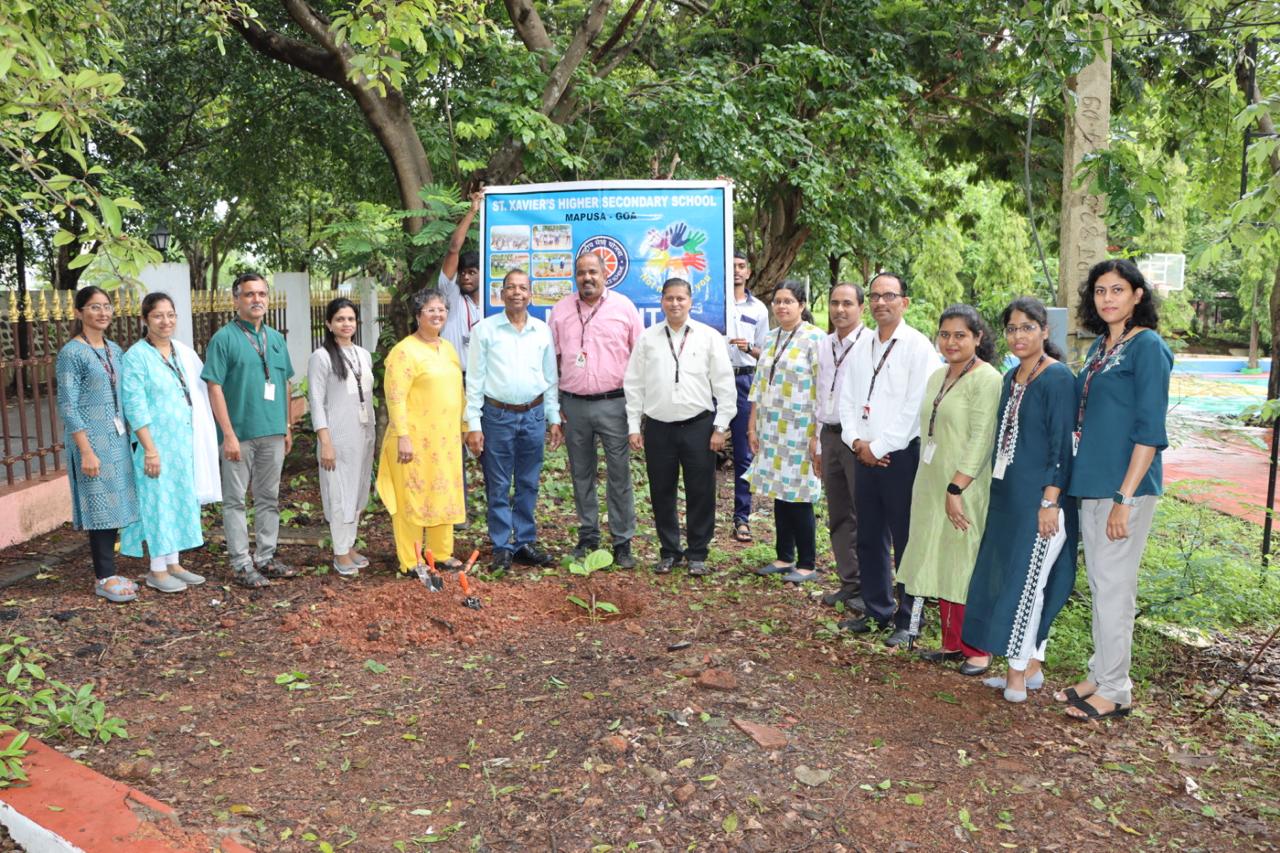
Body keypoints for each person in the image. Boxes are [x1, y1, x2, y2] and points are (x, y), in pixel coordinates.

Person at [1060, 259, 1172, 722]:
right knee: (1101, 583)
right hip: (1092, 483)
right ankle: (1100, 672)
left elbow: (1150, 430)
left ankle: (1117, 688)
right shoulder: (1102, 347)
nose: (1107, 298)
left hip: (1125, 487)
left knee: (1115, 588)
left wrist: (1125, 497)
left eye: (1118, 290)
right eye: (1100, 291)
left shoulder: (1146, 347)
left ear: (1138, 295)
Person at [962, 297, 1077, 703]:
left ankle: (1015, 677)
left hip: (1041, 503)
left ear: (1045, 331)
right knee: (1016, 582)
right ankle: (1030, 668)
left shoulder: (1058, 378)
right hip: (1008, 498)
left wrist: (1049, 502)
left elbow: (1062, 447)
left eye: (1027, 327)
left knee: (1025, 586)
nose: (1018, 335)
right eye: (1011, 328)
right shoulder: (1013, 380)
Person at [896, 304, 1002, 674]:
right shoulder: (938, 374)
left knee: (963, 561)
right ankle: (951, 643)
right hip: (931, 480)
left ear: (978, 338)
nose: (951, 342)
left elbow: (980, 438)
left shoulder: (986, 379)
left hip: (963, 486)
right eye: (945, 334)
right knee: (939, 556)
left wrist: (957, 486)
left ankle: (977, 648)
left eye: (960, 335)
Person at [836, 272, 939, 646]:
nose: (881, 302)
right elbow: (847, 400)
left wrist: (879, 447)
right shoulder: (863, 345)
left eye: (889, 296)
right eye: (875, 296)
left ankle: (909, 620)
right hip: (863, 454)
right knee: (868, 535)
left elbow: (916, 408)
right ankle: (877, 609)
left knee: (906, 539)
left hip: (900, 456)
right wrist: (856, 441)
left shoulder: (918, 347)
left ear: (904, 302)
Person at [624, 277, 736, 576]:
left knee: (701, 490)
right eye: (669, 298)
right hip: (659, 427)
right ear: (661, 301)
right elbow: (633, 384)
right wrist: (634, 425)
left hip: (699, 426)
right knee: (662, 491)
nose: (675, 303)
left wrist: (720, 427)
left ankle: (698, 552)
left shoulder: (709, 336)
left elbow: (725, 384)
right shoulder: (647, 338)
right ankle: (669, 550)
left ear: (690, 301)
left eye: (680, 299)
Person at [202, 272, 299, 588]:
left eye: (261, 294)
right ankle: (241, 563)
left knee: (269, 497)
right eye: (249, 294)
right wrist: (227, 433)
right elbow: (214, 387)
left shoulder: (277, 338)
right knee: (235, 501)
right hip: (239, 435)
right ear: (236, 300)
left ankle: (266, 557)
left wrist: (286, 426)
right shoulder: (224, 338)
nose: (256, 299)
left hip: (272, 431)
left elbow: (284, 382)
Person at [548, 252, 644, 568]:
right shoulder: (561, 310)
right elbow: (553, 363)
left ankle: (622, 541)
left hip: (615, 404)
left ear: (605, 274)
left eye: (592, 272)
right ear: (574, 277)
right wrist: (556, 408)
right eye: (580, 273)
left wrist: (637, 409)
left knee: (619, 474)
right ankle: (588, 535)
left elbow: (640, 358)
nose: (587, 278)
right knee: (581, 474)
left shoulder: (624, 308)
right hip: (574, 406)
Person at [120, 292, 218, 593]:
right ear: (145, 320)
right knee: (158, 503)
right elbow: (135, 406)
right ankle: (157, 569)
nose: (166, 321)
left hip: (184, 444)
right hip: (156, 445)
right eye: (158, 316)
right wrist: (149, 449)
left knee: (179, 500)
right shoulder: (136, 356)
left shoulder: (182, 352)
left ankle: (174, 562)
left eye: (171, 315)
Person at [466, 270, 563, 572]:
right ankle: (501, 546)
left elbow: (550, 378)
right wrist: (473, 424)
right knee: (497, 483)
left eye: (523, 288)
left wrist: (554, 417)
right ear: (501, 294)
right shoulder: (485, 331)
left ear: (530, 294)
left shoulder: (542, 330)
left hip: (533, 416)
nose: (517, 293)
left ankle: (524, 542)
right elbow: (475, 381)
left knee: (528, 482)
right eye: (511, 287)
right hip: (497, 416)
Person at [56, 286, 140, 603]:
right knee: (98, 505)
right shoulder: (71, 354)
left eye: (106, 307)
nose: (102, 313)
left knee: (115, 505)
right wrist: (86, 450)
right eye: (94, 307)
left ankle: (112, 571)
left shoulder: (114, 350)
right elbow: (67, 405)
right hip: (91, 441)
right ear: (79, 313)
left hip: (116, 439)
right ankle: (104, 577)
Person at [377, 290, 467, 573]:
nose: (437, 315)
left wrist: (464, 428)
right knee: (411, 499)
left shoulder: (448, 348)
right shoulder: (404, 351)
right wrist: (402, 435)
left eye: (441, 309)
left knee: (443, 493)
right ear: (418, 315)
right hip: (412, 441)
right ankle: (412, 560)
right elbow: (395, 397)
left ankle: (440, 552)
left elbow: (458, 391)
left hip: (445, 440)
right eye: (430, 310)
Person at [745, 281, 825, 583]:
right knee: (780, 490)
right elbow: (758, 384)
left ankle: (807, 562)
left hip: (801, 428)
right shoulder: (769, 337)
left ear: (801, 305)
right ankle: (783, 556)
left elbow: (822, 387)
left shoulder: (815, 338)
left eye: (788, 301)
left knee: (799, 494)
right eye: (777, 301)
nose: (781, 307)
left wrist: (817, 434)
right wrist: (752, 426)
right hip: (771, 427)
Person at [309, 297, 376, 576]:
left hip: (363, 433)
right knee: (339, 492)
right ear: (328, 324)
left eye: (350, 319)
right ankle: (339, 552)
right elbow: (315, 401)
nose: (345, 324)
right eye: (339, 319)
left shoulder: (363, 354)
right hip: (336, 436)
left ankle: (349, 546)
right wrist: (325, 442)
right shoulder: (321, 357)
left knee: (358, 492)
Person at [811, 282, 867, 607]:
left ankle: (871, 586)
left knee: (864, 514)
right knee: (838, 513)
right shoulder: (824, 344)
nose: (840, 310)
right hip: (830, 436)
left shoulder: (871, 344)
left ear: (861, 308)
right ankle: (850, 582)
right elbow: (820, 392)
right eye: (834, 303)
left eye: (847, 303)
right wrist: (818, 442)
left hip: (856, 437)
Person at [724, 252, 770, 543]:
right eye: (731, 267)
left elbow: (766, 353)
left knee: (744, 452)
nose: (736, 272)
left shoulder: (760, 309)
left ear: (749, 272)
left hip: (745, 379)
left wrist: (749, 348)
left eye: (741, 267)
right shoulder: (715, 302)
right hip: (714, 379)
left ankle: (742, 517)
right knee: (702, 448)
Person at [439, 190, 483, 370]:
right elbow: (454, 249)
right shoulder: (451, 297)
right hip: (453, 377)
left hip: (483, 382)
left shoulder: (493, 305)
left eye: (472, 272)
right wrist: (473, 211)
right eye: (462, 272)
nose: (465, 276)